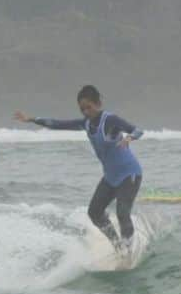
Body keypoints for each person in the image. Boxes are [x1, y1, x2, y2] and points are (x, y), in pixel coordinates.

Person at [14, 85, 143, 250]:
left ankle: (129, 250)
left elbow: (137, 130)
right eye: (82, 109)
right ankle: (118, 247)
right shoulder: (86, 123)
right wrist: (31, 119)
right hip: (111, 177)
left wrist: (129, 138)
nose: (86, 112)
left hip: (129, 174)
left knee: (122, 213)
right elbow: (56, 124)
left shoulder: (110, 120)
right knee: (94, 213)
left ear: (98, 103)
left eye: (89, 107)